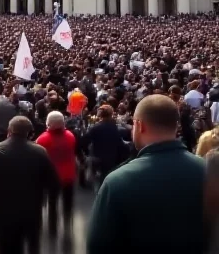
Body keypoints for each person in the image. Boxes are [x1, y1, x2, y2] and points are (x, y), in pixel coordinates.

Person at [87, 95, 210, 254]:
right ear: (176, 126)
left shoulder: (117, 181)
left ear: (139, 126)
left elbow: (98, 245)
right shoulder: (209, 172)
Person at [0, 116, 59, 254]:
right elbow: (54, 183)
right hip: (32, 212)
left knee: (6, 248)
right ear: (30, 133)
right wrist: (44, 198)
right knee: (33, 246)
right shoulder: (40, 151)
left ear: (9, 131)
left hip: (3, 212)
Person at [35, 110, 77, 239]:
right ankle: (67, 223)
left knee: (52, 203)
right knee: (67, 201)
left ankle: (52, 228)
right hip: (69, 174)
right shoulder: (70, 136)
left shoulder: (42, 139)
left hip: (52, 176)